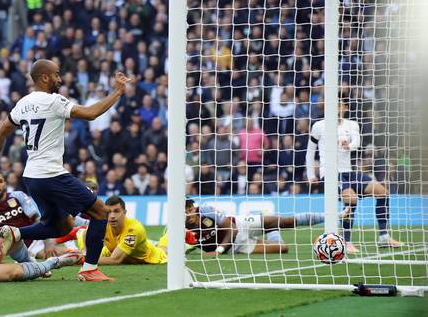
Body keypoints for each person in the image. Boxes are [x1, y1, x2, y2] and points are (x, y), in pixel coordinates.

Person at [0, 59, 129, 281]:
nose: (60, 79)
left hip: (32, 177)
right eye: (56, 74)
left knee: (59, 227)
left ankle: (16, 233)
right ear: (44, 77)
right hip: (51, 174)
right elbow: (91, 113)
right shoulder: (53, 102)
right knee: (101, 212)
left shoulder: (22, 104)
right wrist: (117, 92)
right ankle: (89, 269)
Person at [306, 102, 400, 254]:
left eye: (339, 104)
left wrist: (348, 145)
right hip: (330, 173)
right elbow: (310, 152)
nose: (336, 107)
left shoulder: (352, 124)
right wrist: (311, 174)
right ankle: (346, 241)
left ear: (345, 108)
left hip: (349, 172)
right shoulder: (319, 126)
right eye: (333, 104)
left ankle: (384, 236)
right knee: (351, 199)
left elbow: (357, 141)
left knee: (382, 192)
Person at [0, 172, 62, 260]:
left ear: (5, 184)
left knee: (66, 223)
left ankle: (74, 234)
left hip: (38, 238)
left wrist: (47, 242)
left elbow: (37, 219)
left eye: (0, 181)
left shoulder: (18, 196)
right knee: (59, 254)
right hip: (21, 249)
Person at [184, 199, 332, 255]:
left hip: (240, 225)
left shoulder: (205, 210)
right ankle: (270, 229)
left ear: (193, 208)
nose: (187, 214)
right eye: (183, 211)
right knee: (282, 249)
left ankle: (332, 215)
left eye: (189, 209)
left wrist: (219, 251)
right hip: (237, 248)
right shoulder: (181, 229)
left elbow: (232, 229)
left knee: (286, 222)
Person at [96, 196, 167, 265]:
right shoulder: (103, 224)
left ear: (124, 212)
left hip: (152, 257)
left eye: (116, 211)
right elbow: (86, 233)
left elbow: (115, 260)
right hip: (116, 249)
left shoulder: (134, 229)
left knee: (164, 249)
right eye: (109, 212)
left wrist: (85, 261)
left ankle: (169, 233)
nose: (112, 216)